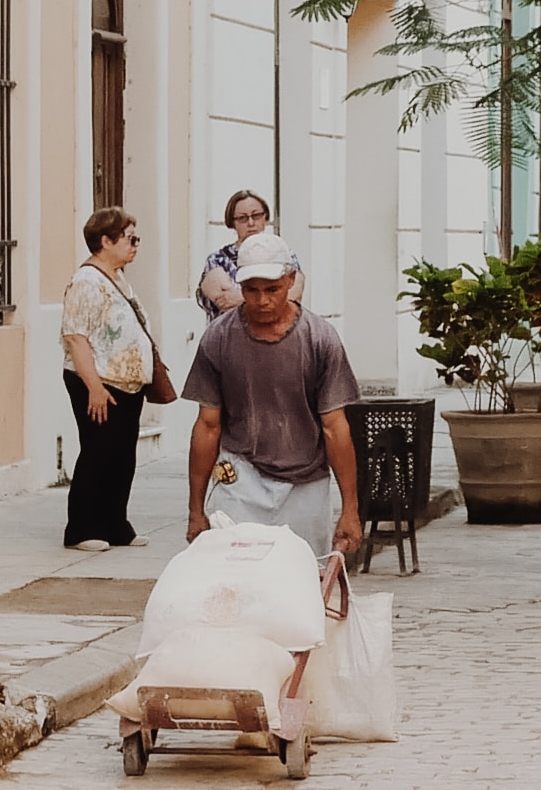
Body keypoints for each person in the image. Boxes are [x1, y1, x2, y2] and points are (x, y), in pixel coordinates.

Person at [180, 234, 363, 564]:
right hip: (240, 475)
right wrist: (195, 509)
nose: (262, 300)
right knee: (234, 578)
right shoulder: (218, 338)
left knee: (303, 578)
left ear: (290, 281)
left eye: (272, 289)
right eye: (251, 290)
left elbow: (336, 427)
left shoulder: (320, 339)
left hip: (306, 481)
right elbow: (207, 425)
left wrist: (350, 509)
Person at [59, 207, 157, 551]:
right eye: (130, 238)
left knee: (122, 456)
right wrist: (94, 388)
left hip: (127, 386)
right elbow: (76, 337)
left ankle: (115, 523)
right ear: (106, 241)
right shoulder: (86, 281)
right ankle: (83, 527)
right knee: (98, 453)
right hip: (100, 383)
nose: (135, 245)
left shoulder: (116, 277)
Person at [197, 189, 277, 320]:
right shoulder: (217, 259)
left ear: (265, 217)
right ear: (232, 222)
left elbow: (293, 298)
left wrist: (239, 297)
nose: (251, 223)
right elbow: (225, 301)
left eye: (256, 216)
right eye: (242, 218)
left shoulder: (283, 255)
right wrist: (270, 298)